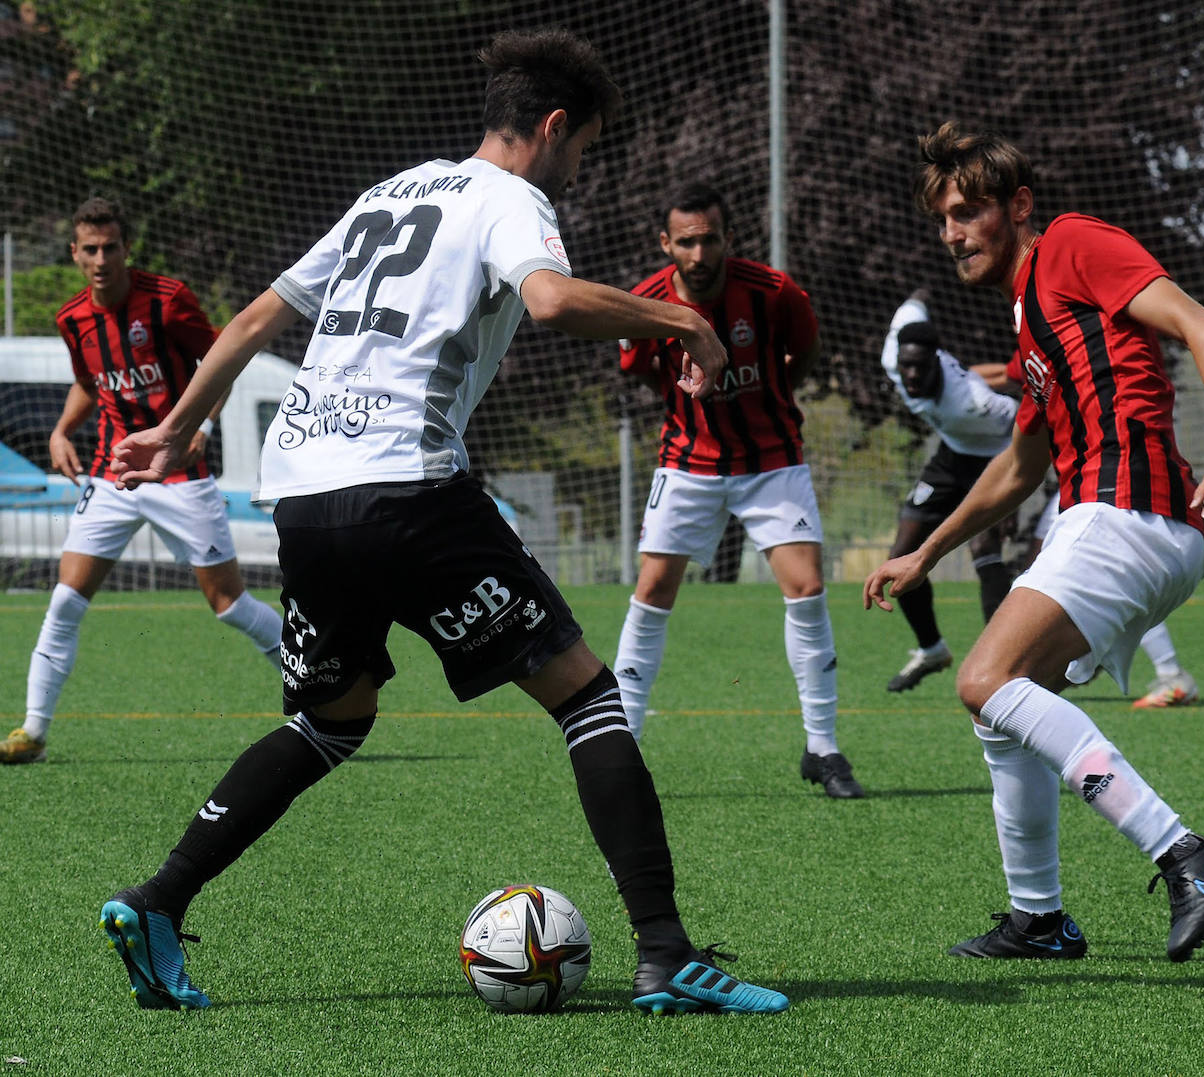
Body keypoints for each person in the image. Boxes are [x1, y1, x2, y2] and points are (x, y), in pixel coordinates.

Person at [98, 30, 788, 1017]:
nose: (579, 163)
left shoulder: (391, 191)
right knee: (589, 700)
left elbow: (254, 319)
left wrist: (174, 430)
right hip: (408, 490)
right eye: (584, 145)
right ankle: (667, 954)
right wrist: (682, 321)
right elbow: (548, 302)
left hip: (305, 494)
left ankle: (158, 900)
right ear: (553, 128)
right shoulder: (513, 200)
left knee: (331, 721)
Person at [865, 122, 1204, 962]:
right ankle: (1039, 918)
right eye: (944, 217)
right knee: (1003, 713)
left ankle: (1186, 853)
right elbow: (1019, 466)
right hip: (1114, 519)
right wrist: (925, 551)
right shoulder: (1029, 318)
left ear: (1018, 208)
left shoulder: (1075, 244)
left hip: (1130, 511)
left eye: (970, 210)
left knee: (982, 678)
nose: (954, 232)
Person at [0, 198, 282, 766]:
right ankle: (31, 731)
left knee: (227, 603)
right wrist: (61, 430)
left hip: (179, 474)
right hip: (110, 474)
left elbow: (220, 362)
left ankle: (317, 683)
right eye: (89, 249)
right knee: (64, 600)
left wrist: (201, 423)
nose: (100, 258)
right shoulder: (72, 318)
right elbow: (91, 382)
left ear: (126, 249)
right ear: (74, 254)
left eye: (109, 247)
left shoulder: (167, 300)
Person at [612, 182, 862, 800]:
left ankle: (823, 748)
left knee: (806, 586)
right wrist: (687, 409)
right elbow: (642, 372)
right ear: (666, 243)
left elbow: (804, 353)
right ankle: (622, 748)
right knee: (652, 589)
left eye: (710, 239)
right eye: (687, 241)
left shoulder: (773, 292)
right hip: (687, 462)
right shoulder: (642, 303)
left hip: (772, 460)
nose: (700, 254)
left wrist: (769, 398)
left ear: (729, 237)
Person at [879, 293, 1020, 693]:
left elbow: (1027, 424)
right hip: (949, 458)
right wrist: (924, 293)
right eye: (906, 366)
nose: (910, 376)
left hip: (996, 460)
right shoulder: (895, 357)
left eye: (920, 368)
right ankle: (932, 649)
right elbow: (914, 302)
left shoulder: (974, 402)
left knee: (985, 553)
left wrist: (1012, 487)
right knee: (901, 558)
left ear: (937, 360)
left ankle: (1008, 666)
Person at [1026, 487, 1200, 709]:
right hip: (1174, 544)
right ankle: (1170, 674)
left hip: (1113, 557)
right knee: (1132, 607)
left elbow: (1037, 548)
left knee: (1128, 607)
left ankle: (1171, 675)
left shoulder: (1074, 490)